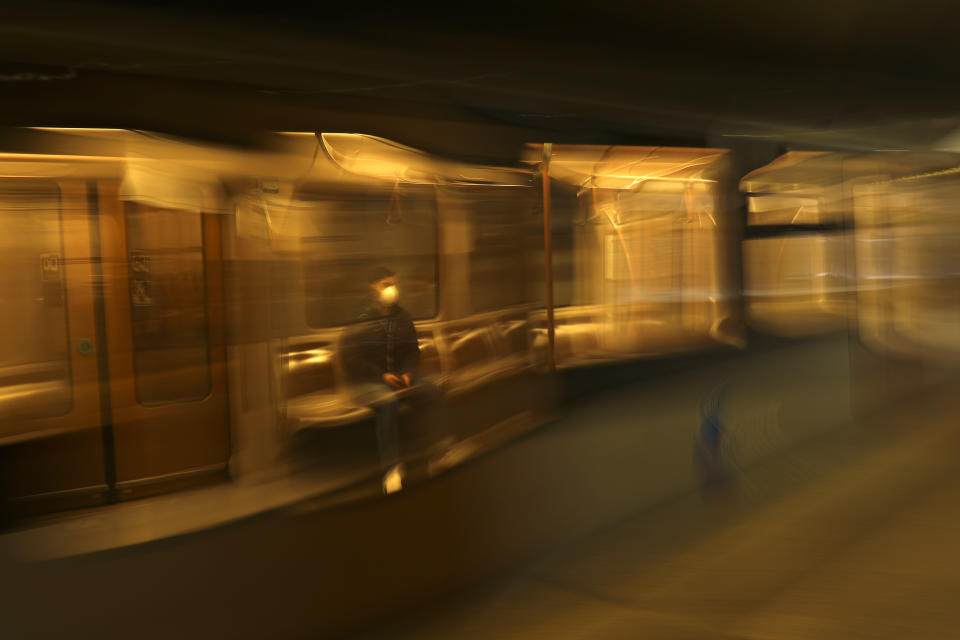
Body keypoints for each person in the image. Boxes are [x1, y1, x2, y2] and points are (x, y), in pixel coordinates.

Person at [339, 266, 440, 494]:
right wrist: (381, 376)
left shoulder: (402, 316)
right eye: (386, 284)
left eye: (393, 284)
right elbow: (353, 358)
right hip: (367, 380)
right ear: (372, 287)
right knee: (387, 403)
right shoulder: (360, 317)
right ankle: (391, 468)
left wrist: (407, 372)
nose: (391, 290)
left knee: (431, 392)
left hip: (400, 376)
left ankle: (435, 451)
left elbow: (412, 350)